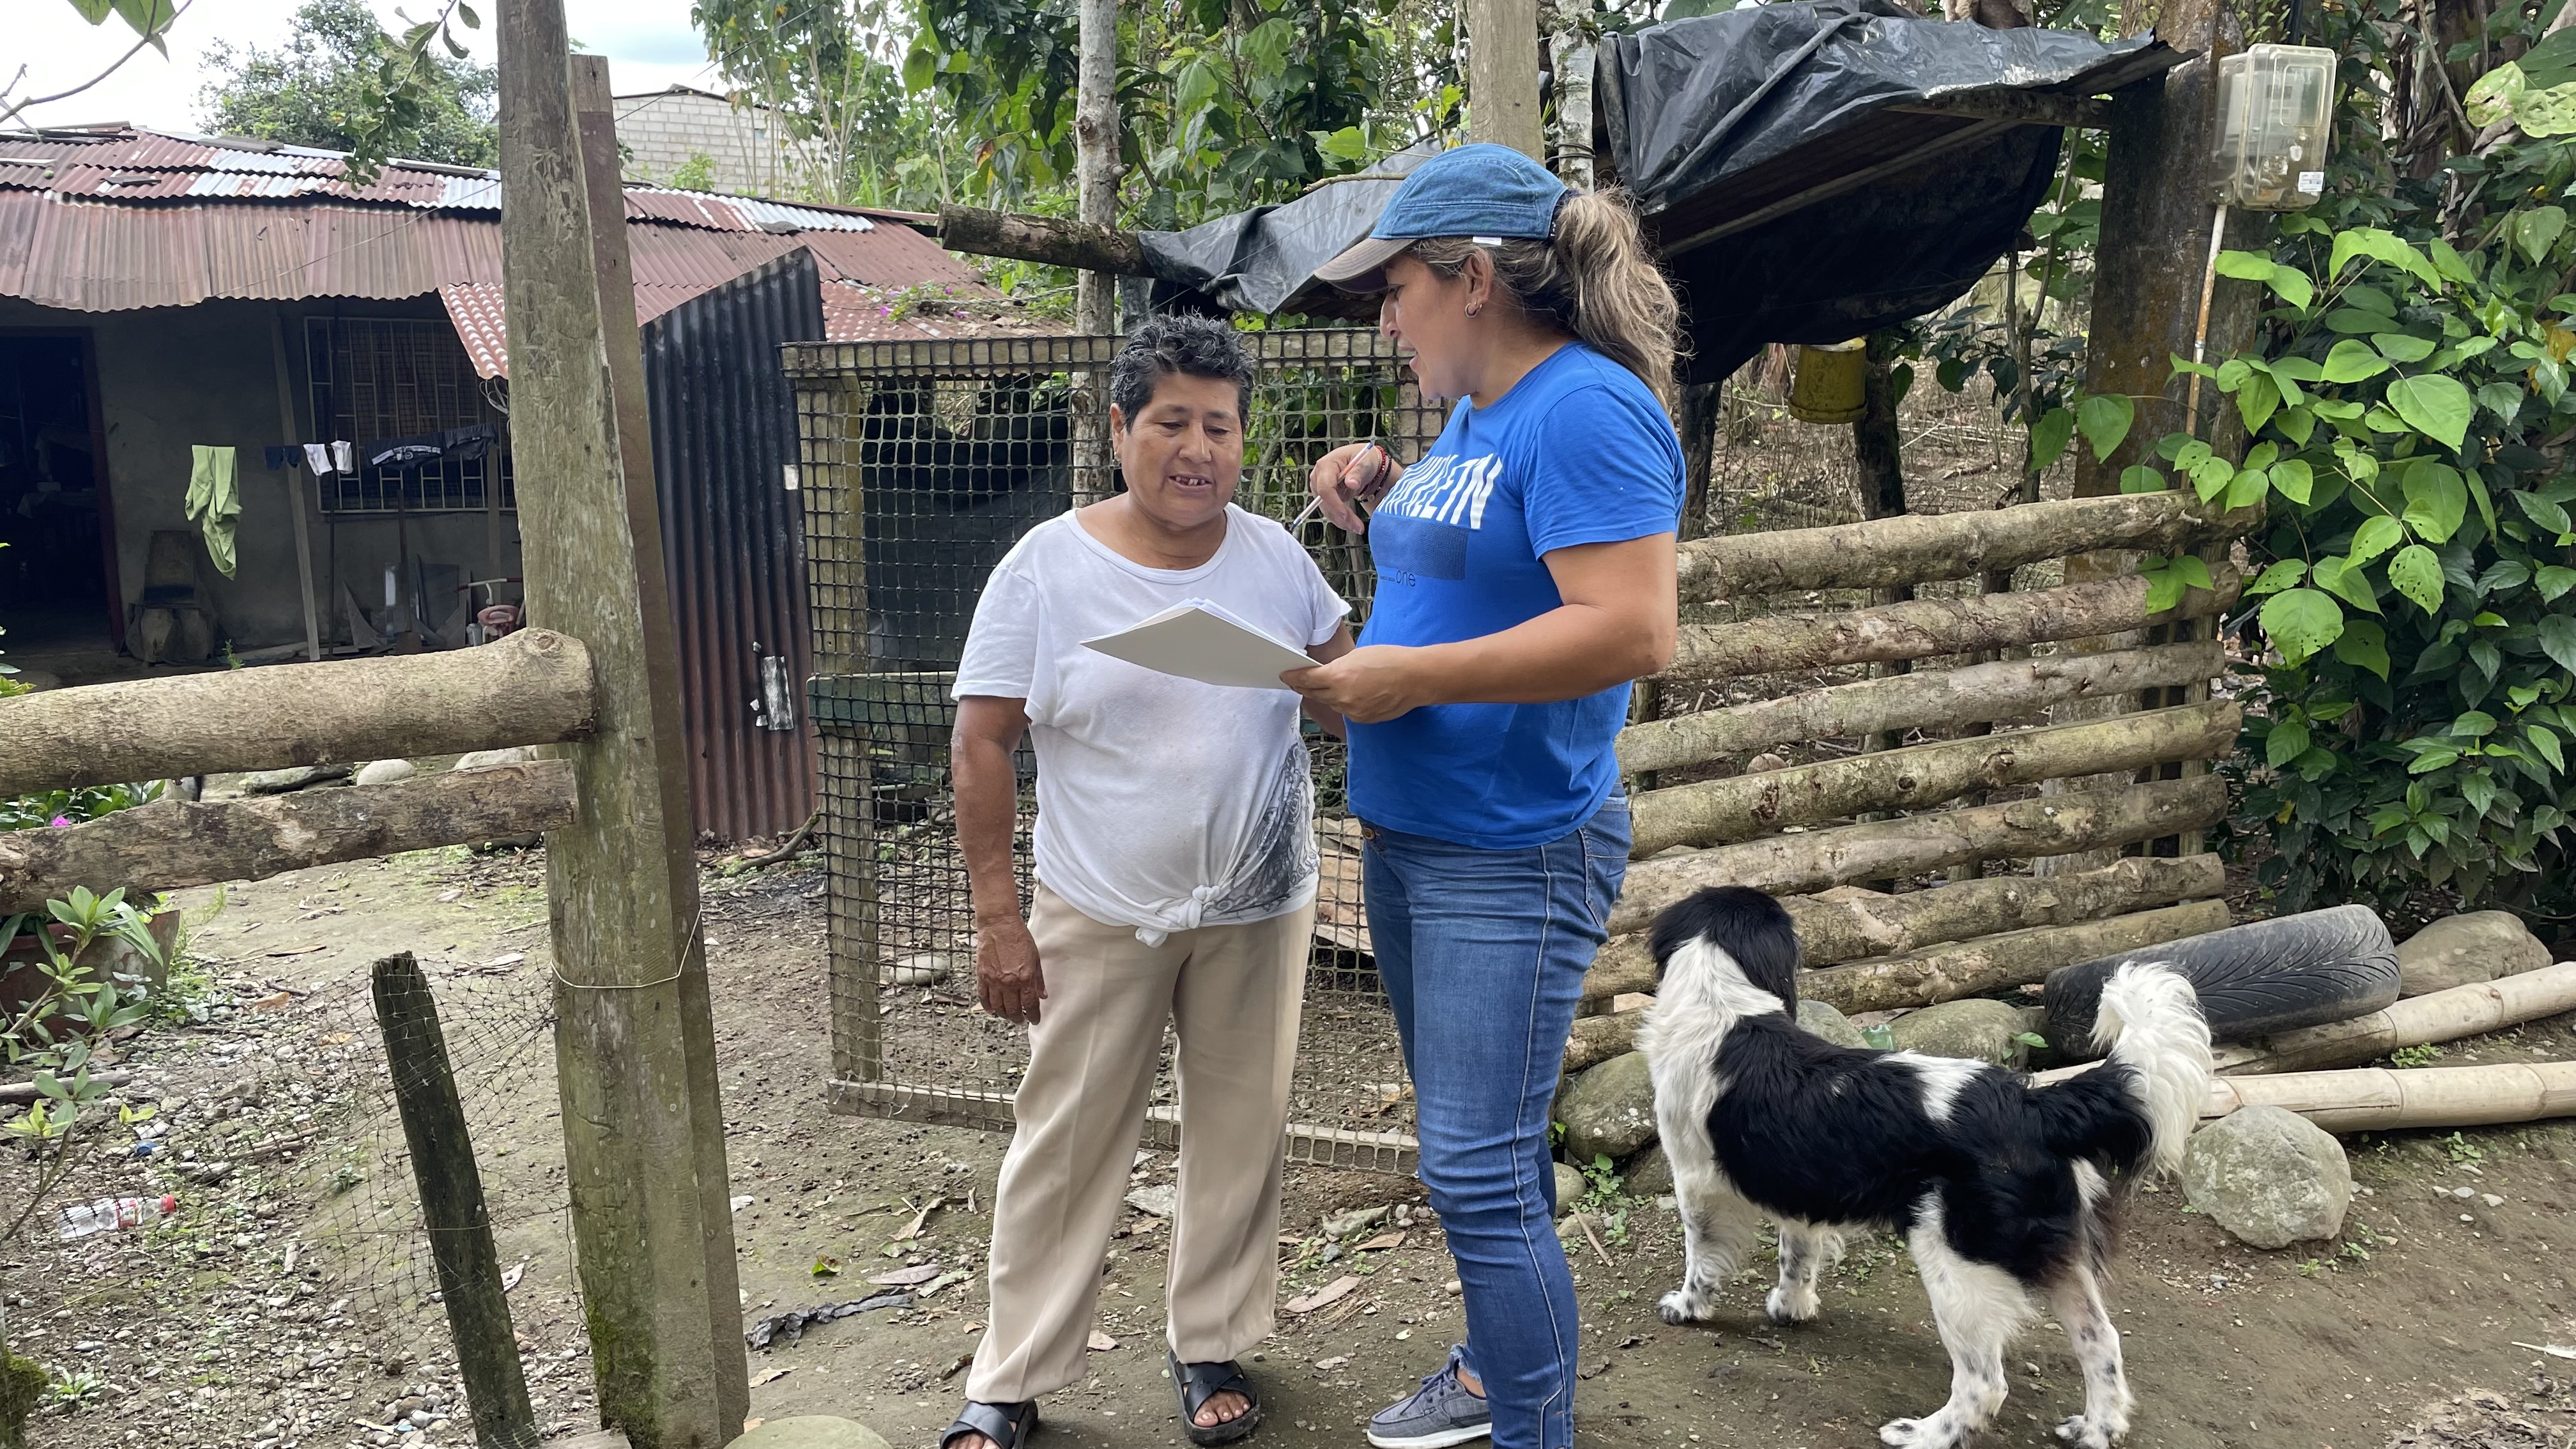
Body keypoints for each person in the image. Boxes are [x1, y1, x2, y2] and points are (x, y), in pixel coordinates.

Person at [1283, 144, 1685, 1449]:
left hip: (1509, 852)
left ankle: (1530, 1426)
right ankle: (1491, 1374)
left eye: (1395, 289)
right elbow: (1490, 561)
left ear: (1470, 280)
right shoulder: (1479, 414)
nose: (1384, 320)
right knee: (1479, 1156)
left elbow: (1633, 629)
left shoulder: (1585, 407)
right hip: (1416, 834)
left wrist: (1406, 676)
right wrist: (1378, 496)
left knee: (1473, 1167)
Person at [939, 314, 1356, 1449]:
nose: (1197, 450)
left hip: (1260, 902)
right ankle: (1013, 1372)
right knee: (1066, 1137)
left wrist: (1350, 666)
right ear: (1120, 427)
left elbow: (1346, 695)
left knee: (1240, 1128)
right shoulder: (1047, 568)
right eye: (1172, 422)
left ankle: (1209, 1339)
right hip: (1099, 902)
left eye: (1220, 426)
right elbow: (983, 742)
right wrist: (997, 918)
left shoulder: (1278, 561)